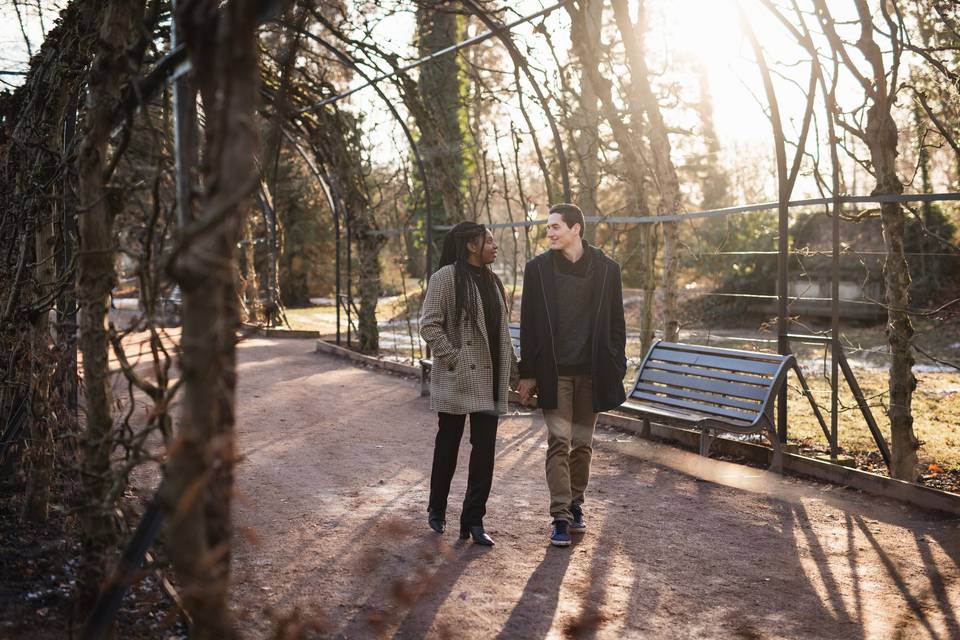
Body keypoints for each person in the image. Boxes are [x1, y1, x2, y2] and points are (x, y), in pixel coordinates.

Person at [517, 203, 627, 547]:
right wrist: (528, 373)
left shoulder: (608, 270)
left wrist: (616, 365)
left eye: (555, 227)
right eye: (548, 228)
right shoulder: (537, 270)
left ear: (576, 229)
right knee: (559, 442)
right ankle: (560, 517)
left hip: (593, 373)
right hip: (555, 373)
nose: (549, 233)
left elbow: (616, 325)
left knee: (582, 445)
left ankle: (576, 503)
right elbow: (530, 324)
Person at [420, 222, 518, 546]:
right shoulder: (445, 278)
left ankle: (473, 521)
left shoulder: (494, 282)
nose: (495, 245)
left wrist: (517, 373)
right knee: (447, 446)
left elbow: (502, 334)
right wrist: (456, 359)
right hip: (458, 377)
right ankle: (437, 510)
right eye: (488, 240)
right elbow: (429, 326)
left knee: (485, 453)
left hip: (489, 379)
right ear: (471, 245)